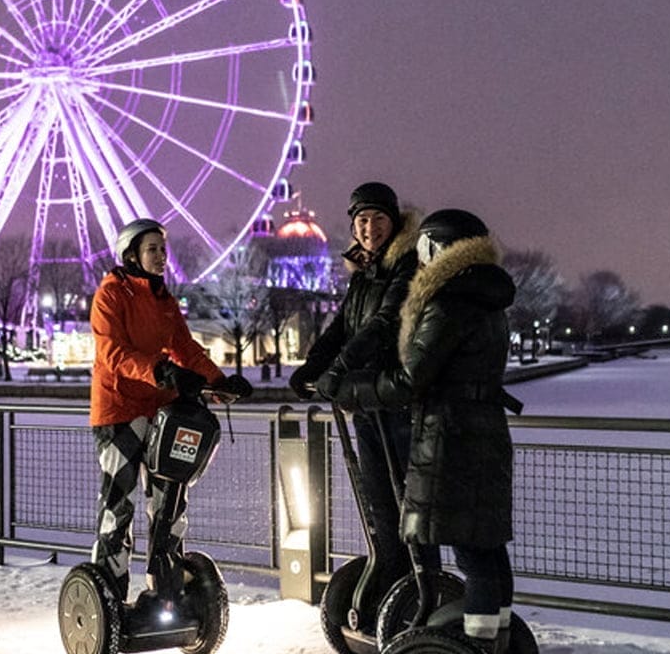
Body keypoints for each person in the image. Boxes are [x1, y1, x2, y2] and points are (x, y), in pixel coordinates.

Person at [331, 208, 522, 654]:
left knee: (472, 554)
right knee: (488, 548)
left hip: (451, 435)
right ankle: (499, 639)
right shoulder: (488, 297)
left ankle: (476, 652)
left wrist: (352, 388)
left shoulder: (450, 300)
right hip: (485, 429)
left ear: (438, 248)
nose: (418, 260)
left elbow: (411, 378)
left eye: (423, 250)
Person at [90, 217, 253, 601]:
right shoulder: (110, 294)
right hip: (120, 411)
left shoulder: (164, 300)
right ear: (131, 255)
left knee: (170, 502)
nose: (162, 257)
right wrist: (159, 371)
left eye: (163, 249)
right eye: (152, 250)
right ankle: (110, 591)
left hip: (163, 411)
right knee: (120, 502)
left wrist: (218, 381)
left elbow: (187, 348)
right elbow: (112, 353)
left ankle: (168, 582)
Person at [289, 181, 427, 604]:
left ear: (394, 221)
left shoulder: (406, 265)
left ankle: (423, 585)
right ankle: (390, 580)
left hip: (396, 400)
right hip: (365, 401)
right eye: (362, 220)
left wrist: (341, 367)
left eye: (378, 218)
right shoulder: (364, 272)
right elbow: (343, 326)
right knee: (378, 503)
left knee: (408, 502)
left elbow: (386, 322)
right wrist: (312, 366)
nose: (369, 228)